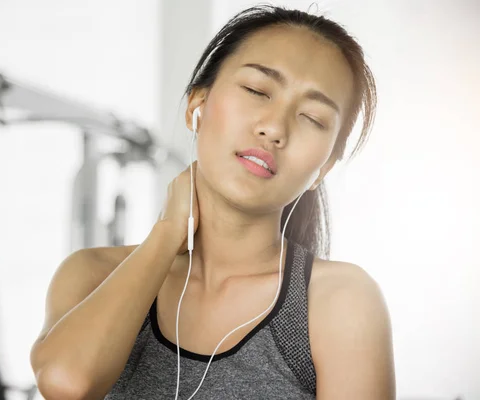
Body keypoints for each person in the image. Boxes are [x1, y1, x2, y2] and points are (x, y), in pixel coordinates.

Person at [30, 5, 395, 399]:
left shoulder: (340, 301)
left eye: (312, 117)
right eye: (257, 91)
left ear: (323, 168)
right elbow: (67, 384)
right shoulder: (91, 274)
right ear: (196, 106)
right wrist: (167, 233)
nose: (274, 128)